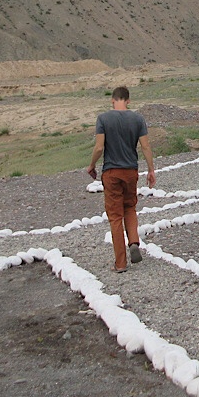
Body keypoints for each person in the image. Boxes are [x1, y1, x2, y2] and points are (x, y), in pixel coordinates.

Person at [86, 86, 156, 273]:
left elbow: (99, 148)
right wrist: (151, 170)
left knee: (115, 216)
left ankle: (120, 263)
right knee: (130, 207)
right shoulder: (138, 119)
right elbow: (146, 147)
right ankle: (133, 241)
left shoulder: (103, 119)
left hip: (111, 172)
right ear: (128, 100)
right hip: (131, 171)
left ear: (112, 100)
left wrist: (92, 165)